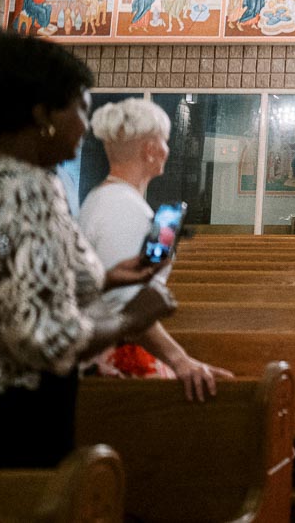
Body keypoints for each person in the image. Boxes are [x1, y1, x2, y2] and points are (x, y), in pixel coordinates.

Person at [0, 30, 176, 469]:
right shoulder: (22, 188)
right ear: (42, 114)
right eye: (79, 108)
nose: (84, 127)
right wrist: (134, 314)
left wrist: (109, 278)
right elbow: (46, 339)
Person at [78, 99, 232, 397]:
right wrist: (180, 360)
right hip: (117, 358)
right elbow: (126, 303)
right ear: (150, 149)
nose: (168, 149)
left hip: (107, 344)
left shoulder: (105, 197)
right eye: (164, 140)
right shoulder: (121, 206)